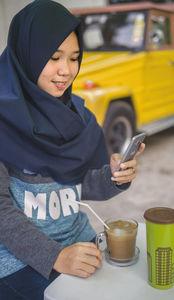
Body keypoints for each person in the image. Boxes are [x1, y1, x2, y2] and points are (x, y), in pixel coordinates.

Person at [0, 0, 145, 299]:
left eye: (74, 58)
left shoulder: (74, 113)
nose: (66, 71)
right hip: (21, 261)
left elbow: (79, 183)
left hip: (81, 244)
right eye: (54, 57)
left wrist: (115, 176)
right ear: (27, 54)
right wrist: (55, 256)